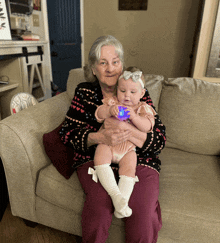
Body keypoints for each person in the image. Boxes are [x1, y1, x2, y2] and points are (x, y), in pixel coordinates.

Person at [60, 35, 166, 243]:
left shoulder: (136, 91)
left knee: (143, 214)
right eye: (103, 62)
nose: (110, 68)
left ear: (122, 65)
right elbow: (68, 133)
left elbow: (159, 139)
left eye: (115, 62)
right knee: (98, 210)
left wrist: (130, 132)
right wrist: (100, 136)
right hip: (97, 158)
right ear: (93, 69)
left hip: (136, 158)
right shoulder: (84, 92)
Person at [91, 68, 156, 219]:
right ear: (117, 90)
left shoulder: (142, 108)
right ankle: (115, 195)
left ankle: (122, 203)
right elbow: (98, 115)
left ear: (142, 93)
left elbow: (147, 127)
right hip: (108, 144)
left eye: (133, 92)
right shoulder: (113, 102)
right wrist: (109, 110)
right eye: (122, 90)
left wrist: (134, 117)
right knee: (100, 156)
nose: (126, 95)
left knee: (129, 169)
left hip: (128, 149)